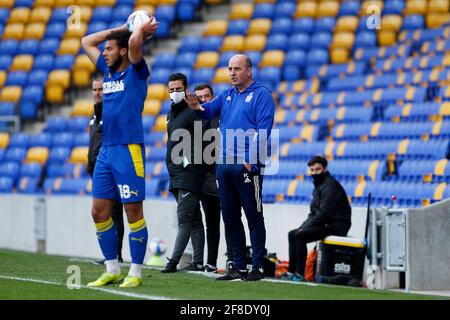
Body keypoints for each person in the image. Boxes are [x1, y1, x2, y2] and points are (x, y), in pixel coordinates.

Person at [81, 17, 158, 288]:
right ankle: (112, 268)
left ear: (123, 51)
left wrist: (134, 32)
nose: (104, 52)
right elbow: (86, 41)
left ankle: (135, 272)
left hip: (129, 149)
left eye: (110, 48)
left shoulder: (136, 72)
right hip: (106, 151)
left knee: (133, 211)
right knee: (98, 211)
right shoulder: (108, 71)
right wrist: (119, 31)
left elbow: (136, 42)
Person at [185, 54, 276, 281]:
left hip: (246, 166)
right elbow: (207, 111)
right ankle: (238, 266)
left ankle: (257, 266)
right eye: (230, 69)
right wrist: (197, 106)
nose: (232, 73)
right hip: (224, 165)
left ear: (249, 71)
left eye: (237, 69)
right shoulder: (226, 95)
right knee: (230, 217)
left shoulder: (261, 94)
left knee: (253, 216)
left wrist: (251, 159)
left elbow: (264, 129)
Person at [161, 73, 210, 273]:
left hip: (189, 173)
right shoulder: (170, 114)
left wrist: (190, 162)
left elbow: (205, 137)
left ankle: (173, 262)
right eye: (171, 90)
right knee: (195, 220)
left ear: (186, 88)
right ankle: (198, 262)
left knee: (184, 218)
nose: (174, 93)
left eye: (178, 89)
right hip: (176, 173)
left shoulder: (193, 110)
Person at [285, 156, 352, 281]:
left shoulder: (330, 186)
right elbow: (313, 213)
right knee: (292, 234)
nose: (315, 173)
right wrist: (303, 226)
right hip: (325, 224)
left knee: (300, 236)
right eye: (312, 170)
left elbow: (324, 214)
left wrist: (304, 229)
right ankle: (290, 272)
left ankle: (299, 274)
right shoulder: (319, 186)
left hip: (335, 226)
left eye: (318, 169)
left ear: (324, 169)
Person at [193, 84, 234, 273]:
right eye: (199, 97)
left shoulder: (223, 117)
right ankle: (211, 262)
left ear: (213, 97)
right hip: (206, 178)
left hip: (225, 176)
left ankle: (233, 259)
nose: (203, 100)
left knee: (230, 219)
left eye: (206, 96)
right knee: (211, 223)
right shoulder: (196, 121)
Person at [87, 77, 124, 265]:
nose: (97, 93)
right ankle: (112, 254)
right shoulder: (94, 117)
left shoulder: (112, 114)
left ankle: (116, 255)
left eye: (101, 89)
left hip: (112, 171)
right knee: (104, 214)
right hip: (97, 172)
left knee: (115, 213)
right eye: (95, 90)